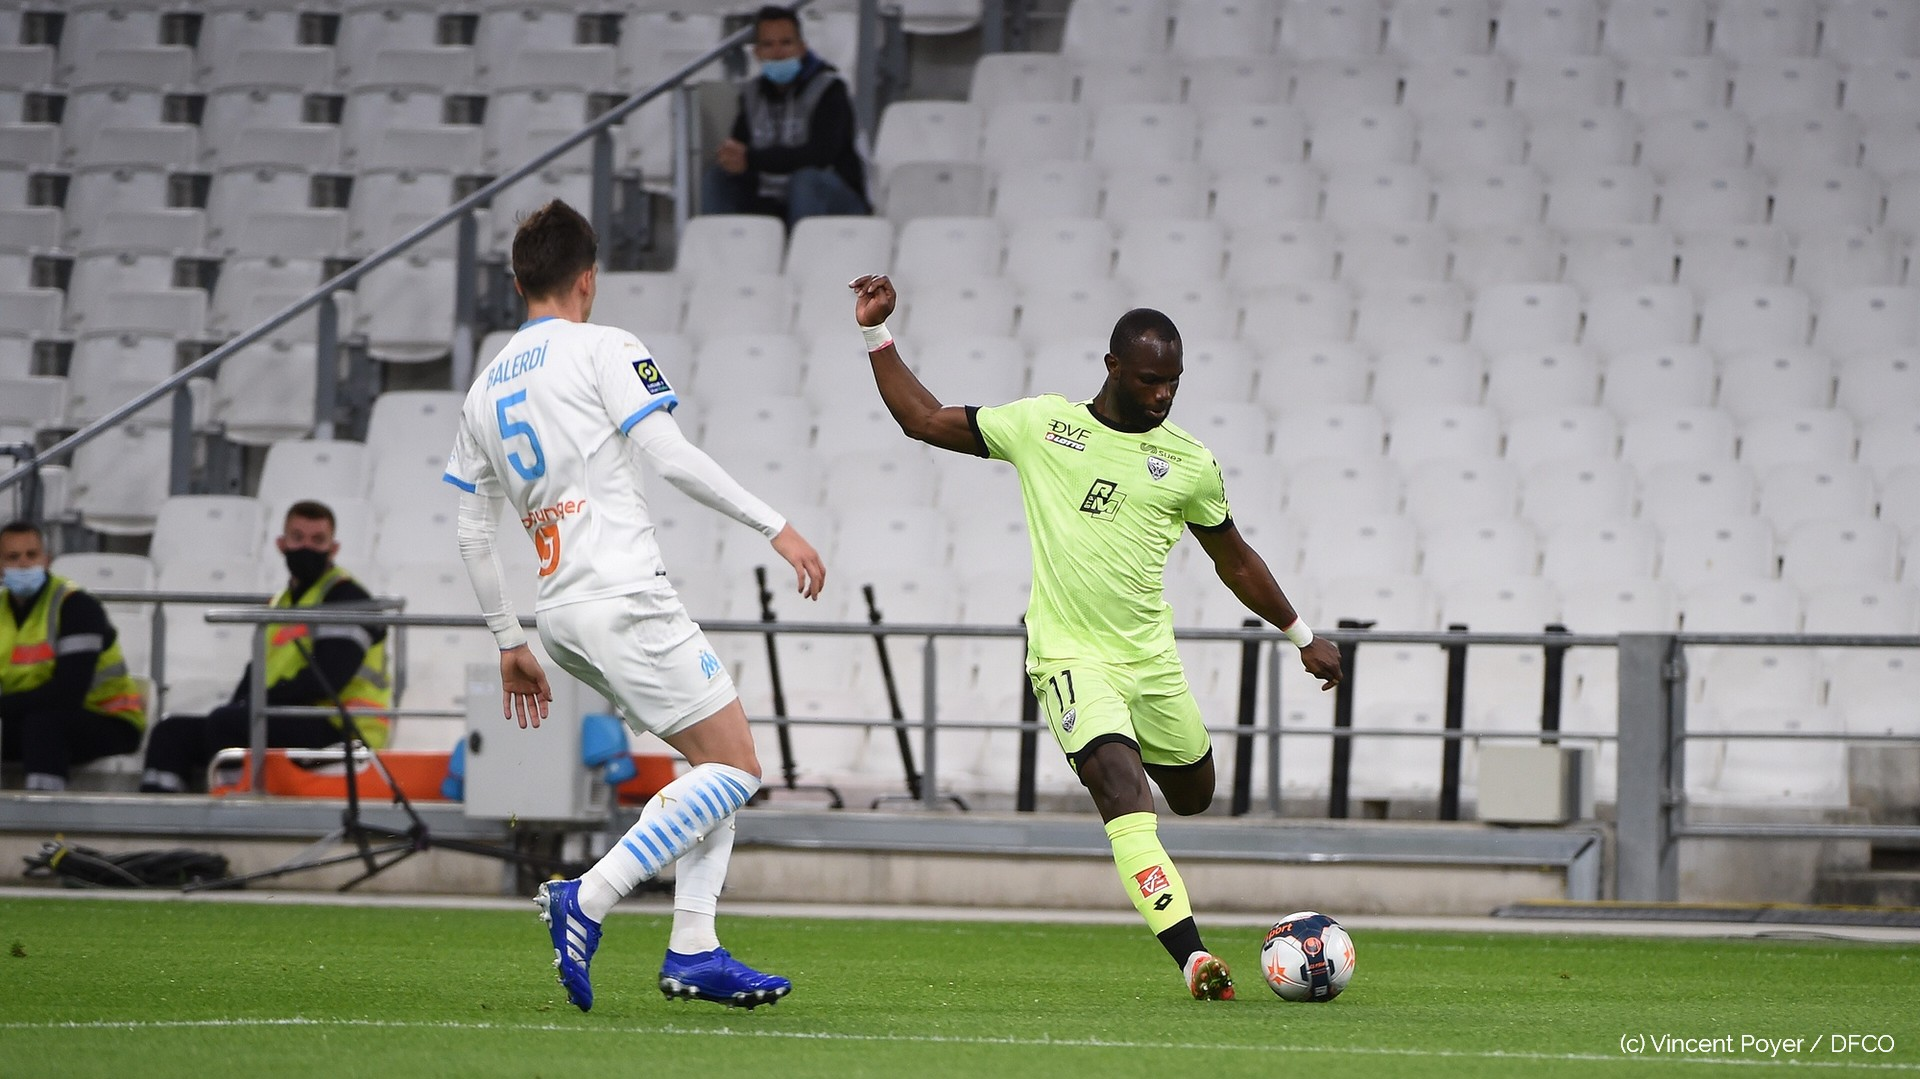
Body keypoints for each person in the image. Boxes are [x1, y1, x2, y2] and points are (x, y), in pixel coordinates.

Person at [848, 274, 1345, 1001]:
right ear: (1113, 366)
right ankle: (1194, 958)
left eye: (1173, 382)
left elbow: (1234, 559)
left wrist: (1301, 634)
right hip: (1070, 656)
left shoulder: (1189, 463)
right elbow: (922, 418)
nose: (1163, 395)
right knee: (1122, 788)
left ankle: (1160, 831)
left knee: (1196, 794)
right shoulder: (1044, 425)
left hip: (1150, 659)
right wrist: (875, 332)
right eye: (1150, 380)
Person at [444, 199, 826, 1013]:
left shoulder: (483, 389)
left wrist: (509, 639)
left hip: (558, 615)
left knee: (711, 769)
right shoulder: (604, 346)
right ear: (588, 279)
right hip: (623, 592)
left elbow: (472, 530)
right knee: (737, 768)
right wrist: (775, 525)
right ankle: (587, 896)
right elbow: (669, 456)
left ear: (517, 281)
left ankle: (695, 947)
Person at [139, 501, 392, 793]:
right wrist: (240, 704)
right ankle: (160, 809)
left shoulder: (349, 598)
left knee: (229, 723)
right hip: (287, 716)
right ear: (281, 544)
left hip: (341, 727)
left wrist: (253, 705)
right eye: (298, 538)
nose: (307, 547)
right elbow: (257, 670)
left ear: (333, 549)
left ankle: (233, 805)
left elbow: (327, 680)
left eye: (317, 540)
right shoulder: (280, 603)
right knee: (171, 731)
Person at [0, 520, 145, 790]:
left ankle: (45, 809)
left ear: (47, 560)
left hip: (109, 719)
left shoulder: (76, 606)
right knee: (37, 722)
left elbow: (67, 694)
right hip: (29, 716)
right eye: (13, 557)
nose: (24, 564)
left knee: (43, 724)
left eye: (31, 555)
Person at [701, 4, 869, 227]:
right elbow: (741, 150)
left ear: (802, 48)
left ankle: (804, 249)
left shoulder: (830, 89)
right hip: (773, 199)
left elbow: (820, 155)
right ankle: (721, 246)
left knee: (806, 181)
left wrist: (752, 159)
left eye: (786, 43)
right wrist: (730, 157)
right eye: (768, 45)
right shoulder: (751, 94)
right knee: (718, 177)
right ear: (757, 53)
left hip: (835, 200)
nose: (778, 52)